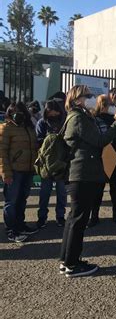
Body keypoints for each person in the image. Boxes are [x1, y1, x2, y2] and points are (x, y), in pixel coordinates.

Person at [60, 85, 116, 278]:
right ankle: (72, 264)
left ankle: (67, 260)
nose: (91, 98)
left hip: (81, 174)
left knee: (74, 219)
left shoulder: (79, 116)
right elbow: (99, 140)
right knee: (78, 220)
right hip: (82, 174)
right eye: (87, 96)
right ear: (78, 99)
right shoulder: (79, 117)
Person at [0, 102, 39, 242]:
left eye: (21, 113)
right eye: (15, 113)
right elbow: (2, 153)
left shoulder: (29, 128)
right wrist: (6, 173)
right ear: (10, 113)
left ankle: (20, 225)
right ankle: (11, 230)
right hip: (14, 171)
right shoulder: (6, 128)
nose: (18, 116)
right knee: (11, 201)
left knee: (22, 199)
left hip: (28, 170)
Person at [91, 95, 116, 225]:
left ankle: (94, 217)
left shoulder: (93, 119)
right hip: (113, 155)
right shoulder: (114, 120)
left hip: (99, 156)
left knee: (98, 188)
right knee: (114, 187)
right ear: (106, 106)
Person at [36, 100, 68, 229]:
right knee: (45, 192)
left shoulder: (64, 121)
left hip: (61, 163)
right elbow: (38, 140)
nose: (52, 113)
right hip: (47, 164)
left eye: (54, 110)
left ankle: (60, 216)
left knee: (62, 192)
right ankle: (42, 217)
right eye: (49, 111)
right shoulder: (42, 123)